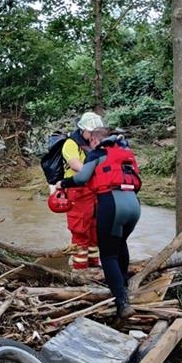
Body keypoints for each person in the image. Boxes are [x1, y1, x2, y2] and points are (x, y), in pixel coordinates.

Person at [57, 128, 141, 319]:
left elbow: (81, 177)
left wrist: (64, 183)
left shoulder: (97, 152)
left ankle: (122, 302)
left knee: (109, 255)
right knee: (121, 245)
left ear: (95, 140)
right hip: (134, 205)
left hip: (112, 204)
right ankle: (124, 285)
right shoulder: (125, 152)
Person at [62, 112, 105, 269]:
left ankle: (94, 266)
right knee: (80, 230)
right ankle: (80, 269)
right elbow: (75, 164)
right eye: (91, 132)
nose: (94, 135)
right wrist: (94, 172)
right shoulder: (71, 144)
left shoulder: (97, 142)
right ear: (82, 130)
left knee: (95, 229)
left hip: (95, 190)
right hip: (77, 190)